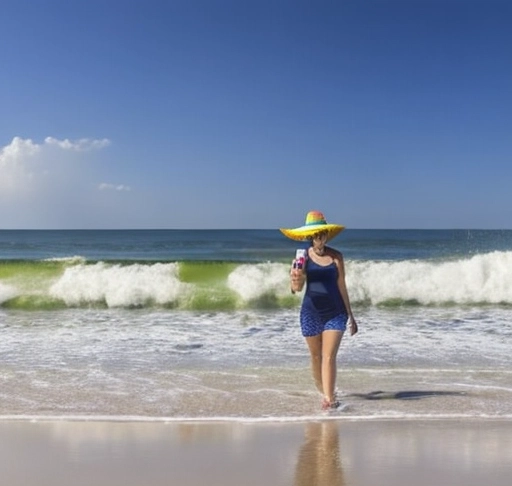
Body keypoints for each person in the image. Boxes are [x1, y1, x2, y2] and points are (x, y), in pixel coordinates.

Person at [280, 210, 358, 410]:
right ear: (309, 237)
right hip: (310, 313)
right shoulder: (303, 257)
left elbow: (342, 286)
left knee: (329, 356)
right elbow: (295, 290)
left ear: (326, 234)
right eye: (314, 235)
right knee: (316, 357)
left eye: (321, 234)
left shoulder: (337, 257)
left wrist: (351, 315)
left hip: (335, 313)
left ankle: (329, 399)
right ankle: (325, 390)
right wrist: (295, 279)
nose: (318, 238)